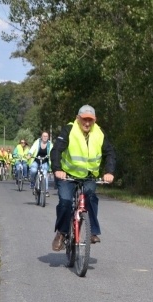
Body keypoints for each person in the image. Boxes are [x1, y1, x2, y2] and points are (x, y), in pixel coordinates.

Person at [50, 104, 116, 251]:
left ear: (94, 120)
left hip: (88, 176)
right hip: (67, 174)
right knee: (66, 202)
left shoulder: (99, 133)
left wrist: (109, 172)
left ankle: (92, 231)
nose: (87, 123)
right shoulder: (69, 130)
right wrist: (57, 169)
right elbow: (56, 150)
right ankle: (61, 232)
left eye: (90, 120)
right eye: (84, 119)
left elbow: (110, 153)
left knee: (90, 196)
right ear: (77, 118)